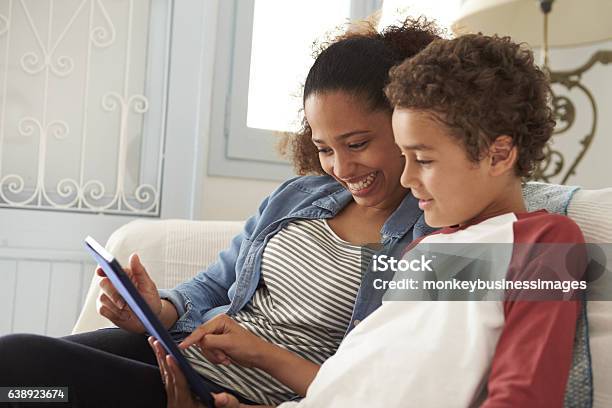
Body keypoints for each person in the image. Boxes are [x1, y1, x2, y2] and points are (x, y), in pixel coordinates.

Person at [0, 18, 443, 408]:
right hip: (182, 353)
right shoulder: (300, 197)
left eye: (358, 144)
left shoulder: (434, 238)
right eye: (326, 148)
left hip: (235, 393)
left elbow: (390, 382)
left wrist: (260, 357)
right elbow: (217, 282)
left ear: (407, 123)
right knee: (15, 380)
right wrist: (160, 309)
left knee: (25, 368)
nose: (342, 168)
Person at [159, 34, 588, 407]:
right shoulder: (428, 248)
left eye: (421, 159)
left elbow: (524, 397)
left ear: (498, 154)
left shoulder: (546, 242)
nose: (405, 177)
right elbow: (355, 385)